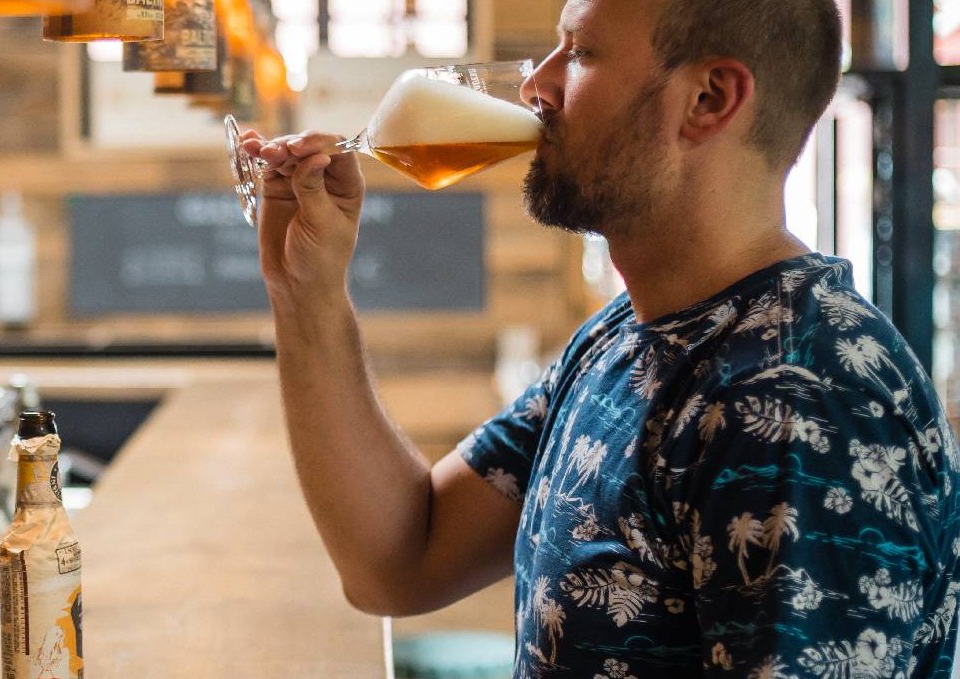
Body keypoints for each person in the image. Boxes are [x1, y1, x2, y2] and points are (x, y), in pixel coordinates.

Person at [241, 0, 960, 676]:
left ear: (709, 99)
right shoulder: (631, 331)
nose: (537, 87)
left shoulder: (797, 402)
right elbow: (402, 557)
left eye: (580, 53)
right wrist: (307, 295)